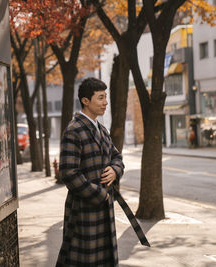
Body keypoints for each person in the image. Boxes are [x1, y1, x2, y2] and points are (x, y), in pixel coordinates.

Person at [56, 78, 148, 267]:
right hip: (83, 209)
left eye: (105, 97)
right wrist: (100, 195)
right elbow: (68, 173)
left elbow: (117, 157)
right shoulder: (74, 131)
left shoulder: (102, 130)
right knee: (84, 261)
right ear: (85, 101)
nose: (105, 102)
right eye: (100, 98)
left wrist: (115, 171)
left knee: (104, 260)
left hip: (104, 209)